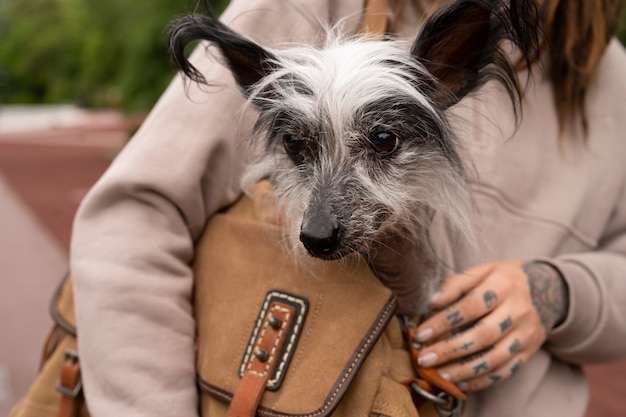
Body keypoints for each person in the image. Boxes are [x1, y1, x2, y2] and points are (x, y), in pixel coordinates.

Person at [69, 0, 626, 416]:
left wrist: (556, 293)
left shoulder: (610, 80)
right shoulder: (307, 5)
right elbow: (134, 218)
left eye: (382, 144)